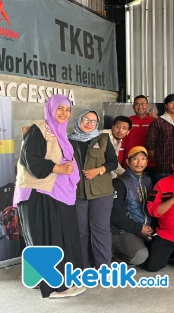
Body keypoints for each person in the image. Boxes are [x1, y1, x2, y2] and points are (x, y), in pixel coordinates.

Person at [14, 95, 85, 298]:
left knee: (56, 238)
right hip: (39, 193)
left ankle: (45, 280)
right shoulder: (38, 130)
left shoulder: (60, 133)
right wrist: (59, 168)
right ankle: (54, 287)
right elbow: (31, 161)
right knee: (47, 238)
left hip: (57, 193)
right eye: (59, 109)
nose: (64, 113)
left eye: (67, 110)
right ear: (50, 109)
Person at [69, 109, 118, 269]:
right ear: (78, 120)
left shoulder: (103, 138)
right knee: (80, 232)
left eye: (93, 121)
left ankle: (104, 267)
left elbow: (113, 162)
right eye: (86, 120)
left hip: (101, 193)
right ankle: (84, 268)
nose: (89, 124)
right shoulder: (68, 140)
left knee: (101, 230)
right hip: (76, 193)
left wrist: (99, 170)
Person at [111, 146, 153, 266]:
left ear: (147, 162)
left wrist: (148, 229)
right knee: (140, 256)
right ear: (128, 162)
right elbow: (116, 215)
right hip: (122, 230)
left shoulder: (147, 180)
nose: (139, 162)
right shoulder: (119, 182)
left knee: (158, 254)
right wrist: (139, 228)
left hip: (143, 228)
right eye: (135, 159)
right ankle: (113, 253)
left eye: (143, 159)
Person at [145, 94, 174, 183]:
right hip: (163, 166)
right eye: (171, 103)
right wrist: (158, 158)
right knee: (164, 193)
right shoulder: (157, 122)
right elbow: (150, 144)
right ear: (166, 105)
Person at [123, 95, 157, 178]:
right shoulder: (127, 121)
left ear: (148, 105)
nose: (140, 106)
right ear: (133, 106)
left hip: (150, 163)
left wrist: (156, 118)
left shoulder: (154, 121)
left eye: (143, 104)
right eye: (137, 104)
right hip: (131, 162)